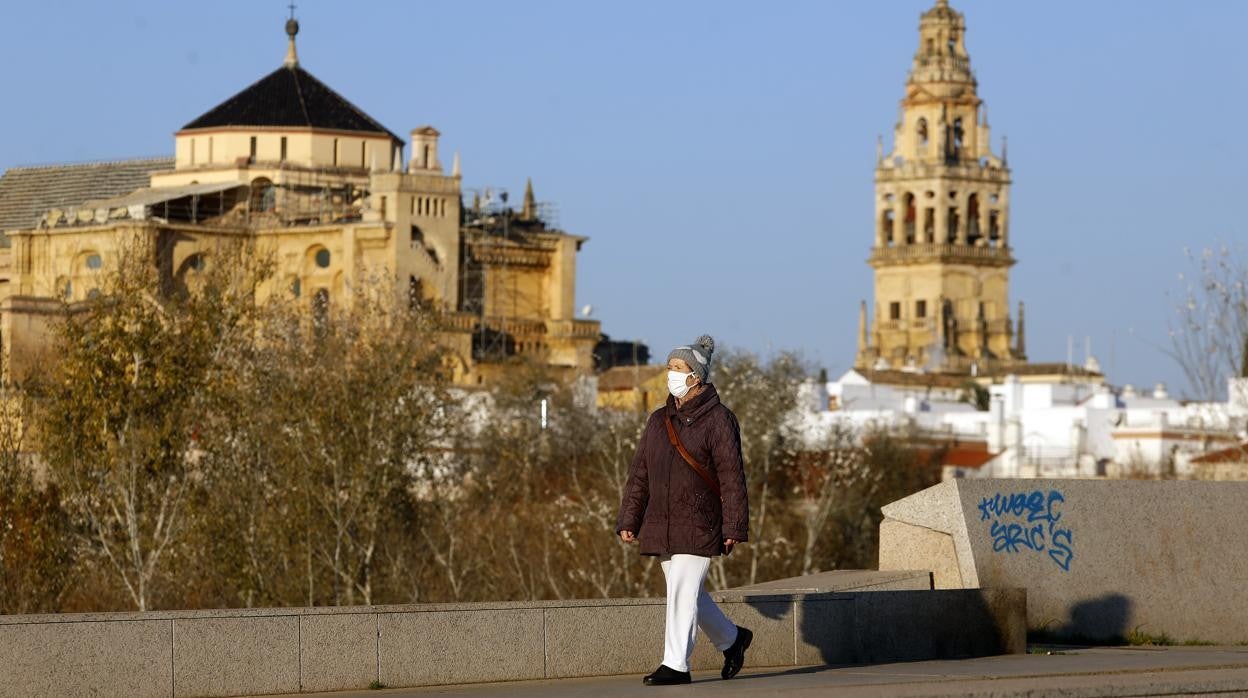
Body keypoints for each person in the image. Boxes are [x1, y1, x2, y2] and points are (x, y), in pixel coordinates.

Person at [616, 334, 752, 686]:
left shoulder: (720, 419)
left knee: (681, 591)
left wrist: (734, 527)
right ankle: (733, 640)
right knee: (688, 593)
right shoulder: (658, 421)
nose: (671, 374)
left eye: (678, 368)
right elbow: (640, 473)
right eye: (669, 367)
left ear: (697, 376)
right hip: (662, 520)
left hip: (701, 519)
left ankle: (675, 665)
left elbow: (732, 476)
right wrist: (629, 518)